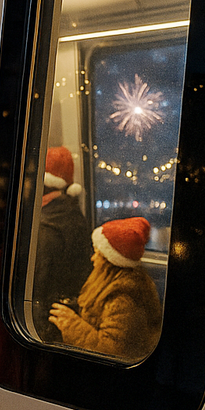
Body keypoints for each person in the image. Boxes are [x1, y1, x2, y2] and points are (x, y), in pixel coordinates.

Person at [49, 217, 162, 362]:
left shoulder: (123, 298)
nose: (92, 258)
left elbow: (113, 351)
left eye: (97, 254)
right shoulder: (111, 282)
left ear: (110, 261)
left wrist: (72, 326)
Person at [31, 146, 93, 341]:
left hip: (47, 321)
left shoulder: (44, 227)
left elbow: (38, 286)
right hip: (67, 312)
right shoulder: (73, 214)